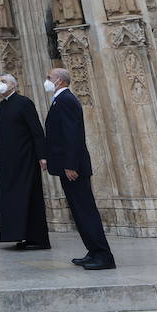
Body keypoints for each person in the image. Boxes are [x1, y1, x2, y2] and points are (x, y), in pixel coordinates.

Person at [43, 68, 115, 270]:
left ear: (59, 81)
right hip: (67, 165)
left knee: (86, 210)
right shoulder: (60, 100)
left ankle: (103, 256)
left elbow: (72, 135)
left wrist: (70, 165)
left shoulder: (66, 100)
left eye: (49, 78)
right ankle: (93, 251)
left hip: (73, 167)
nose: (46, 81)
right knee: (79, 211)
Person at [0, 74, 49, 250]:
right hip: (8, 161)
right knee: (12, 197)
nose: (0, 84)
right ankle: (19, 234)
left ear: (14, 85)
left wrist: (42, 155)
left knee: (29, 195)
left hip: (26, 158)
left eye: (4, 81)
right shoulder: (1, 107)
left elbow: (36, 130)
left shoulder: (24, 103)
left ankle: (38, 239)